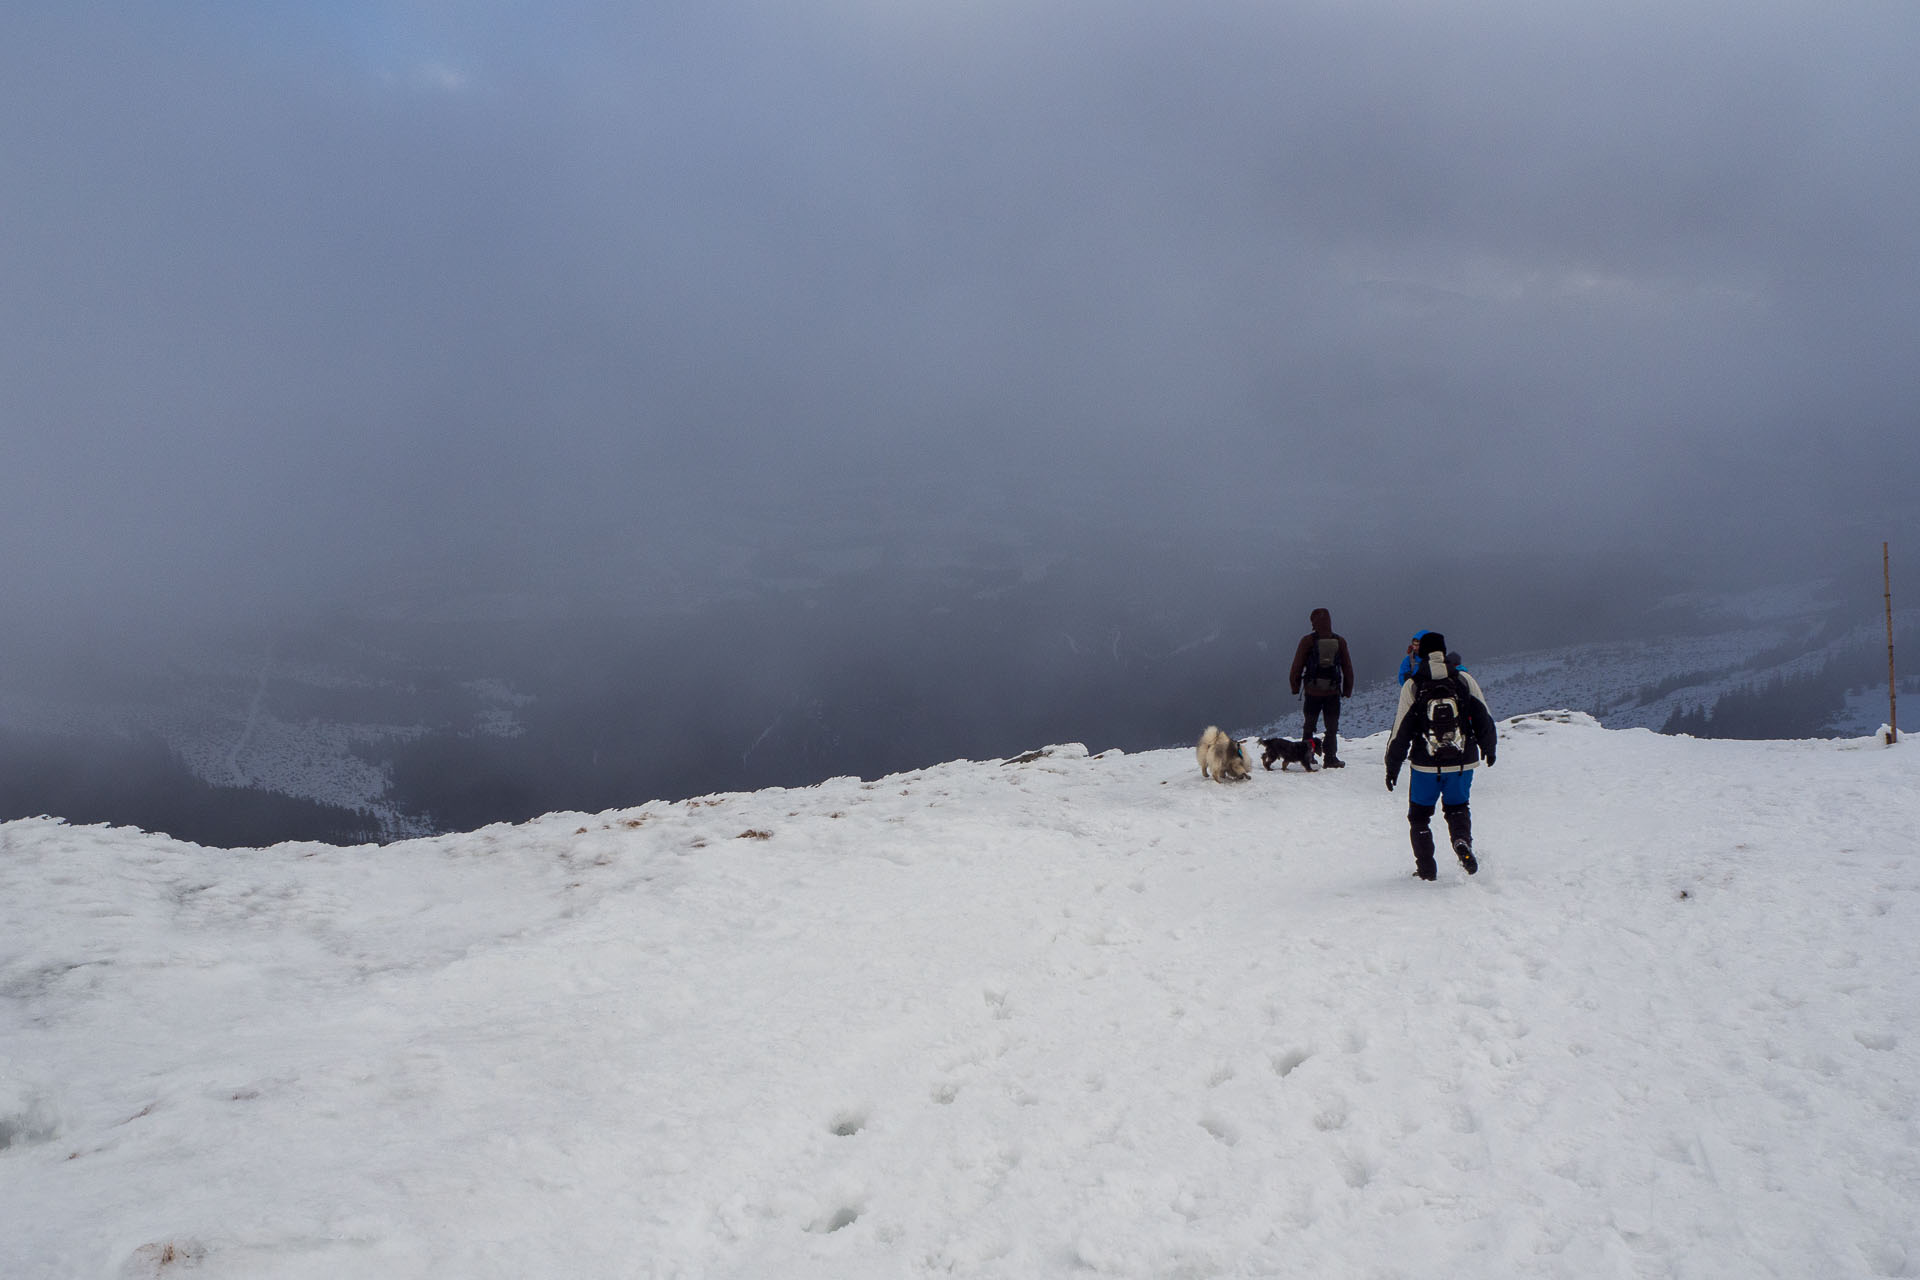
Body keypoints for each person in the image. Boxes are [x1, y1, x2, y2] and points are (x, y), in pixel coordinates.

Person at [1384, 631, 1497, 880]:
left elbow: (1400, 731)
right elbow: (1484, 718)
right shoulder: (1464, 679)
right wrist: (1489, 749)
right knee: (1457, 808)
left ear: (1420, 652)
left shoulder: (1413, 685)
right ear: (1444, 651)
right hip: (1462, 761)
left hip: (1426, 765)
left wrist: (1392, 767)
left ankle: (1426, 870)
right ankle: (1461, 841)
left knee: (1419, 817)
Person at [1288, 607, 1354, 768]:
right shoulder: (1339, 641)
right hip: (1332, 692)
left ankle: (1307, 756)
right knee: (1331, 727)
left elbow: (1296, 666)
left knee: (1309, 725)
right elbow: (1347, 668)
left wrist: (1295, 686)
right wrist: (1347, 690)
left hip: (1312, 691)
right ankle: (1330, 758)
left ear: (1313, 622)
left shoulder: (1307, 641)